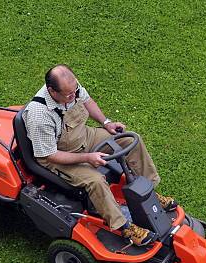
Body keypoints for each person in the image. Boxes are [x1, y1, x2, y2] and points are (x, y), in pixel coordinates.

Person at [23, 64, 176, 246]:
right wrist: (87, 158)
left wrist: (106, 123)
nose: (73, 96)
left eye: (74, 91)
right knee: (95, 180)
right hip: (59, 156)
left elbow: (87, 101)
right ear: (52, 91)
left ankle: (148, 191)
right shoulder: (39, 115)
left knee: (128, 140)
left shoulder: (72, 88)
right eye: (68, 95)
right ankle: (124, 227)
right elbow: (49, 155)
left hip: (84, 136)